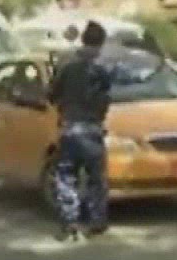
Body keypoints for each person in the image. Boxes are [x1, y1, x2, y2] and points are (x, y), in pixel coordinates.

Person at [45, 21, 149, 241]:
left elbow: (51, 94)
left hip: (69, 128)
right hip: (92, 130)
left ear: (83, 39)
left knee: (66, 177)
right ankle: (96, 222)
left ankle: (70, 222)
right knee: (96, 179)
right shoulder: (104, 66)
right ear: (101, 42)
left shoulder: (66, 64)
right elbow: (131, 79)